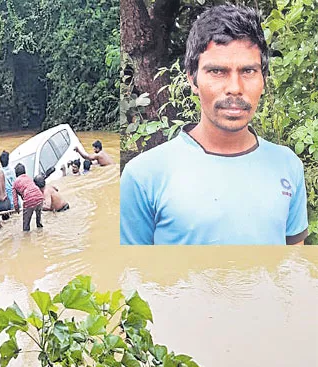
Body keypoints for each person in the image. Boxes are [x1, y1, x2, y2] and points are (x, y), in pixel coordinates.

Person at [120, 5, 308, 245]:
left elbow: (293, 270)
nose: (235, 87)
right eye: (217, 71)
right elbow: (133, 276)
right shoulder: (143, 176)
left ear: (264, 79)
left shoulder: (288, 164)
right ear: (193, 79)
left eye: (248, 71)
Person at [12, 163, 44, 232]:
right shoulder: (29, 178)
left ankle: (27, 240)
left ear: (16, 174)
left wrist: (17, 209)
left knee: (26, 228)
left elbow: (15, 200)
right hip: (39, 196)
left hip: (29, 200)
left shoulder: (15, 183)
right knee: (39, 223)